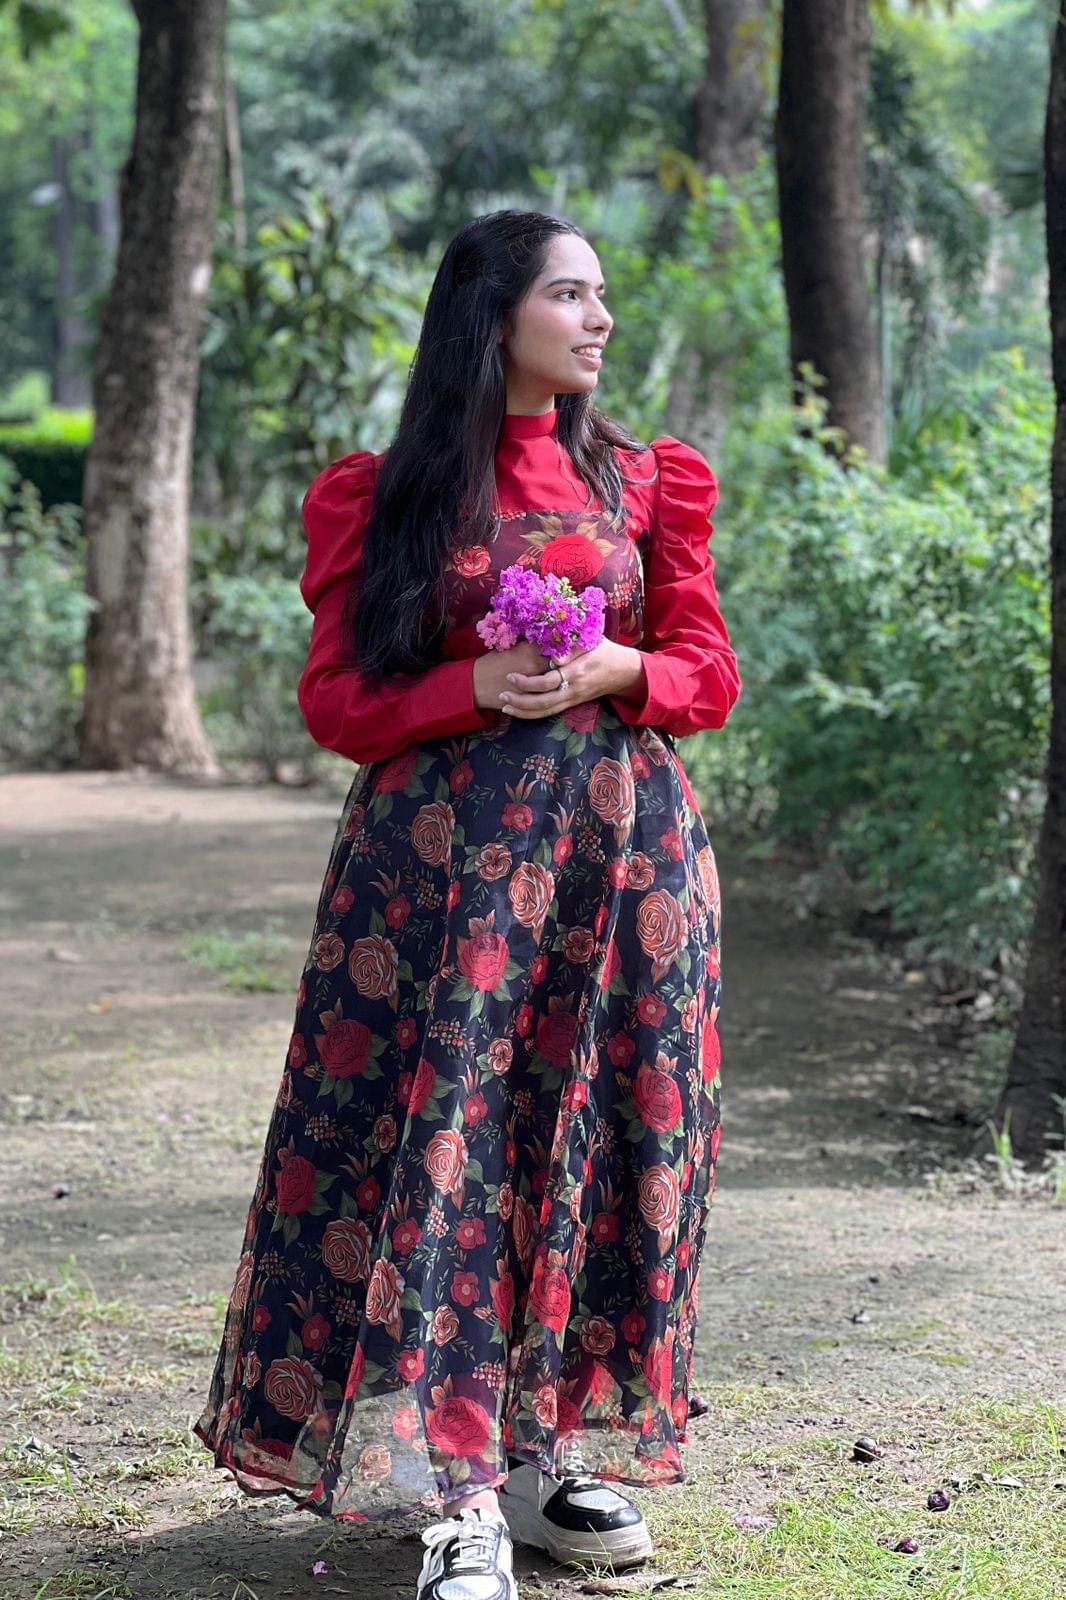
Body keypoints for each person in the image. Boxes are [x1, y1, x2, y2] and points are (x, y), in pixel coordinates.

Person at [193, 208, 742, 1600]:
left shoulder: (651, 483)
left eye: (601, 296)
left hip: (621, 880)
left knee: (603, 1149)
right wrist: (468, 690)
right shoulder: (382, 495)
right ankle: (453, 1495)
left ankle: (555, 1458)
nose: (599, 319)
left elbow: (705, 675)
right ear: (492, 315)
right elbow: (335, 703)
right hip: (435, 895)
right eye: (571, 295)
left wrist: (619, 668)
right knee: (442, 1157)